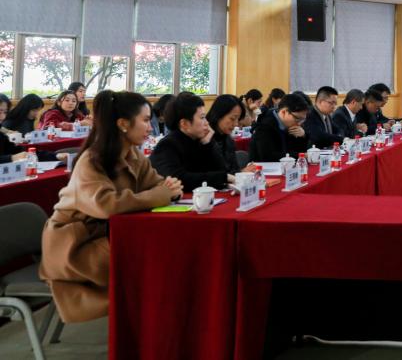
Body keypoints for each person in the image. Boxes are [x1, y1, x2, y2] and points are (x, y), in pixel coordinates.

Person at [39, 90, 182, 323]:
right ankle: (152, 324)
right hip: (76, 245)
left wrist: (166, 191)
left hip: (110, 235)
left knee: (166, 252)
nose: (150, 127)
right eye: (146, 120)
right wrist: (159, 195)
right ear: (123, 124)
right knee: (155, 259)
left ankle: (159, 320)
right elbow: (106, 205)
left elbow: (158, 185)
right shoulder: (92, 160)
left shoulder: (133, 155)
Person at [150, 92, 234, 192]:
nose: (207, 123)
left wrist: (208, 144)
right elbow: (179, 180)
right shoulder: (167, 145)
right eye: (202, 118)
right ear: (184, 124)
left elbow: (221, 171)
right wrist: (223, 177)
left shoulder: (199, 140)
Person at [250, 92, 310, 161]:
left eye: (302, 119)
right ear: (284, 112)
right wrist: (300, 156)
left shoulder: (290, 125)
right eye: (297, 118)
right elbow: (268, 156)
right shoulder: (265, 126)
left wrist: (303, 136)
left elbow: (297, 150)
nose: (299, 123)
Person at [206, 94, 256, 175]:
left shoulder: (228, 140)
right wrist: (241, 173)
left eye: (238, 119)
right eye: (232, 119)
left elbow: (233, 170)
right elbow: (212, 175)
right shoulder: (204, 139)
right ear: (219, 114)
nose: (236, 124)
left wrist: (241, 172)